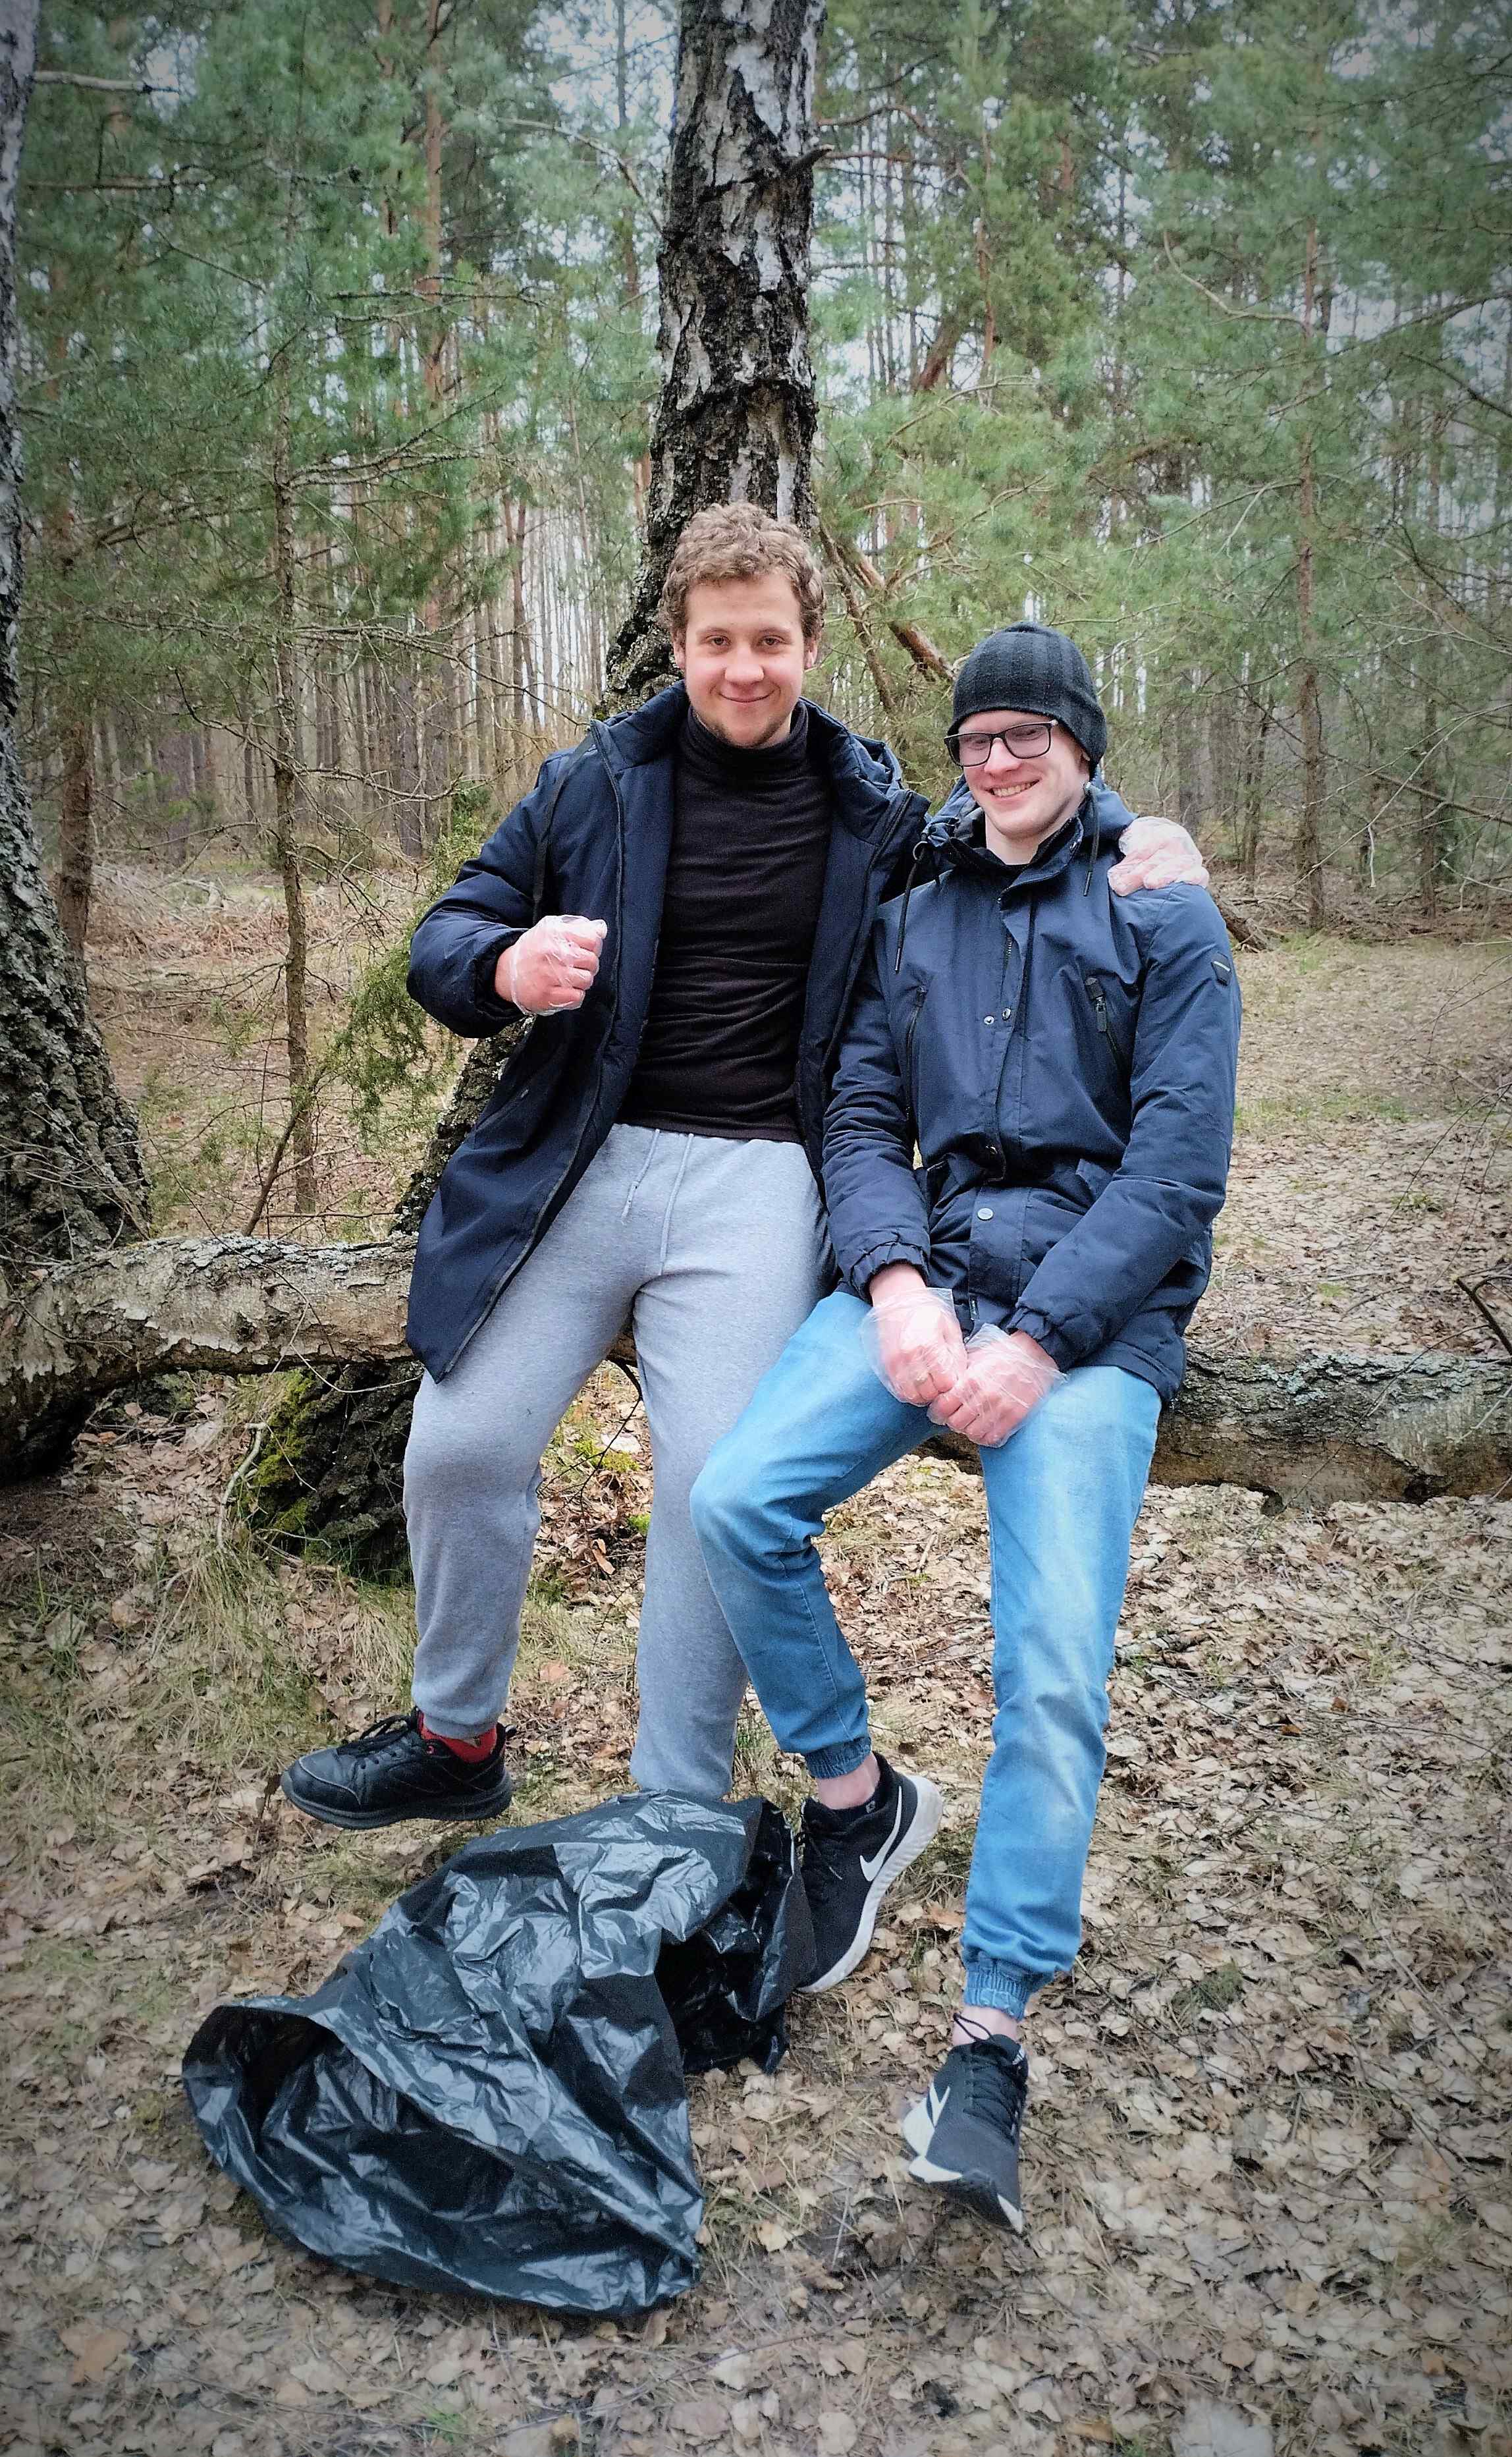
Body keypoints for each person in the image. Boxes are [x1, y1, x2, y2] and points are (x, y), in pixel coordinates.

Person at [279, 516, 1207, 1831]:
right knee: (460, 1443)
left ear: (810, 646)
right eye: (717, 640)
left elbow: (1015, 832)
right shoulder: (595, 783)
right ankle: (455, 1735)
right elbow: (451, 930)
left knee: (711, 1482)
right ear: (678, 646)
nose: (744, 667)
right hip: (580, 1164)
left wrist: (1149, 836)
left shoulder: (874, 813)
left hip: (764, 1174)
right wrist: (503, 965)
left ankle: (675, 1808)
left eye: (770, 639)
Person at [689, 620, 1240, 2232]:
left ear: (1081, 743)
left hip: (1090, 1321)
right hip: (930, 1273)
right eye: (975, 740)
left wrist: (1043, 1340)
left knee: (1051, 1671)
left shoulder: (1161, 908)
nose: (997, 763)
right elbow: (860, 1112)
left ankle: (988, 2032)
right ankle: (854, 1794)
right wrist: (891, 1280)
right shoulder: (915, 899)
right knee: (735, 1500)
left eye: (1027, 737)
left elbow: (1176, 1170)